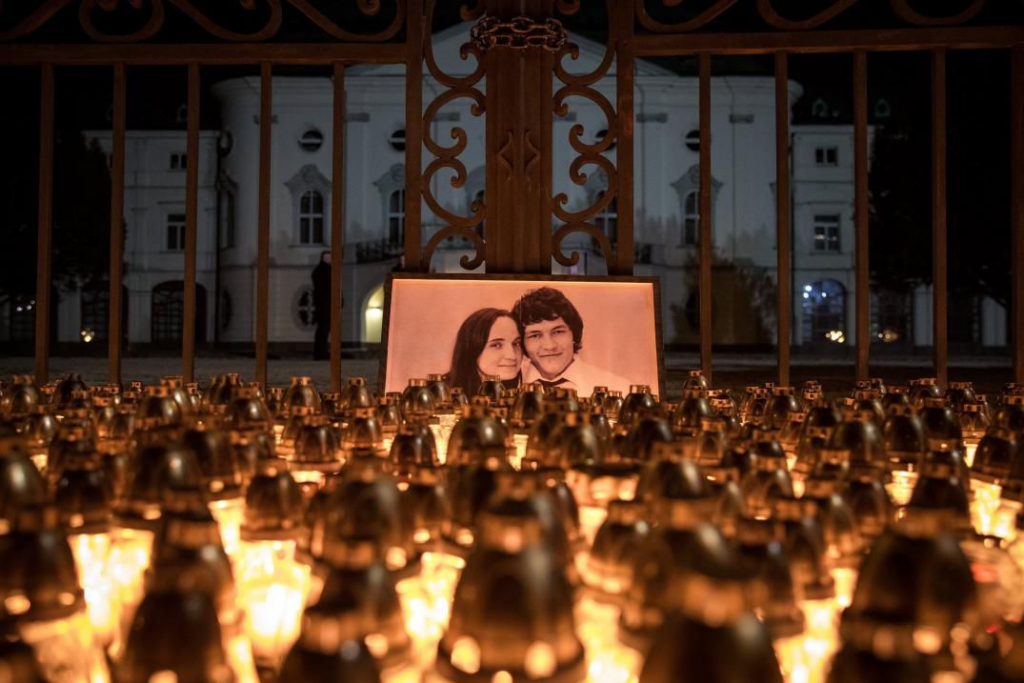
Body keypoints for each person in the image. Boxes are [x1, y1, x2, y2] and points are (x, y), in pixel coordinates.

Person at [511, 286, 629, 396]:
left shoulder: (619, 388)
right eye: (535, 335)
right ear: (522, 343)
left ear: (574, 334)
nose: (550, 346)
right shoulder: (506, 386)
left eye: (558, 332)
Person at [445, 308, 523, 397]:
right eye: (497, 345)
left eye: (516, 343)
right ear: (472, 349)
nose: (512, 356)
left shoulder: (524, 392)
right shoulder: (440, 394)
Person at [311, 251, 331, 360]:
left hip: (324, 305)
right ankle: (321, 353)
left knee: (323, 330)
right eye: (327, 258)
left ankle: (321, 352)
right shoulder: (323, 271)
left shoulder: (321, 271)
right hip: (324, 306)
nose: (329, 260)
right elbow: (325, 290)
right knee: (323, 330)